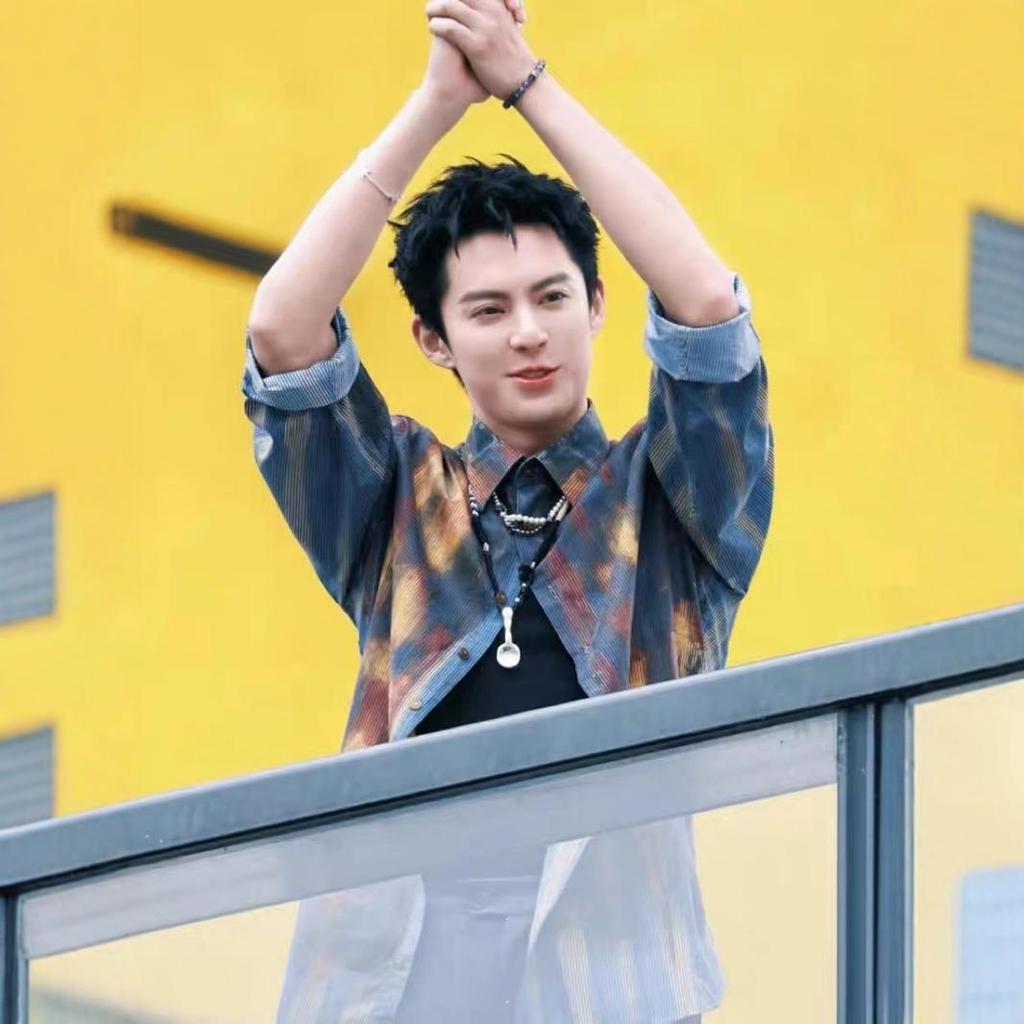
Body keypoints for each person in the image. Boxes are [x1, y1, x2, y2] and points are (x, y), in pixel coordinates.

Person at [240, 0, 774, 1019]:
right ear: (434, 341)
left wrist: (528, 85)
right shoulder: (397, 498)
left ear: (598, 304)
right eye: (487, 309)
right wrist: (437, 103)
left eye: (553, 296)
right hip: (394, 980)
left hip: (608, 983)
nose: (527, 331)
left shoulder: (670, 501)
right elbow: (282, 331)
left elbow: (710, 311)